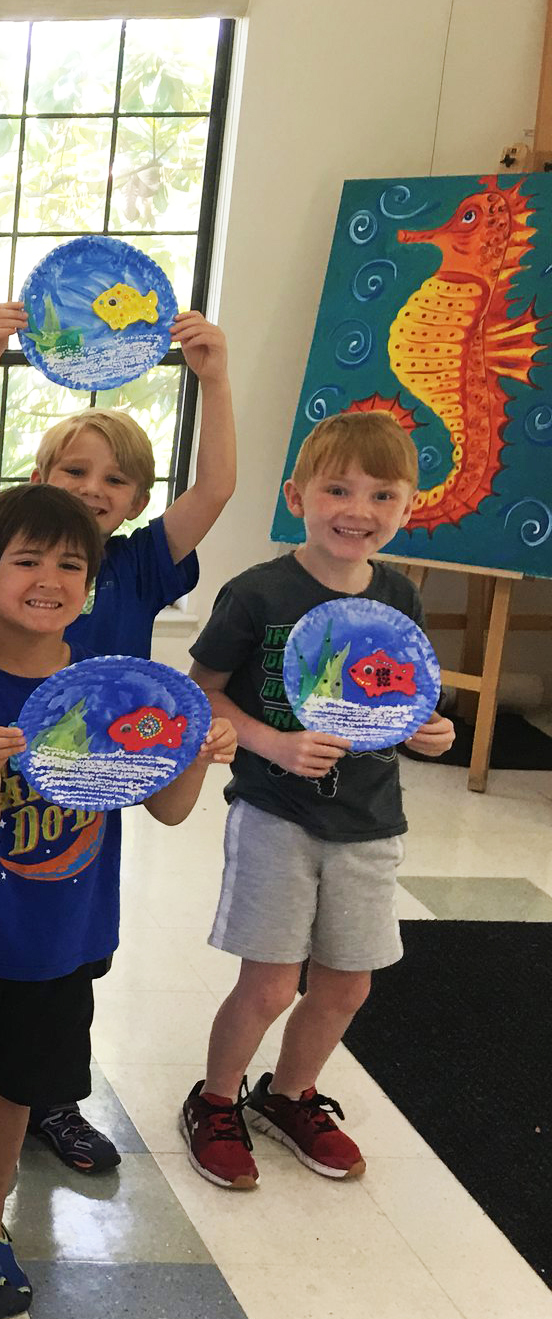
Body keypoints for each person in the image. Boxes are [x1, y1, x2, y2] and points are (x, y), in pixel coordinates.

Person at [0, 486, 234, 1319]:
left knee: (18, 1088)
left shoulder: (109, 687)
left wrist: (194, 753)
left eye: (71, 565)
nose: (50, 580)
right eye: (27, 562)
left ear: (92, 582)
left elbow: (167, 809)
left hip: (61, 941)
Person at [0, 302, 238, 1172]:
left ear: (138, 501)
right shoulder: (15, 544)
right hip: (3, 765)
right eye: (74, 470)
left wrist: (215, 380)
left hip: (99, 776)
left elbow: (216, 490)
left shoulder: (138, 563)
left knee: (71, 935)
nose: (92, 489)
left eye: (116, 480)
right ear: (39, 476)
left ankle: (51, 1095)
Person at [180, 409, 454, 1189]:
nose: (358, 511)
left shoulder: (399, 597)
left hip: (370, 823)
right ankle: (216, 1100)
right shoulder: (256, 593)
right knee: (269, 984)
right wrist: (273, 744)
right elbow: (202, 695)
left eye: (382, 495)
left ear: (408, 508)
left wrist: (427, 731)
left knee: (347, 984)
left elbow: (401, 703)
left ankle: (290, 1094)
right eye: (339, 489)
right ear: (298, 497)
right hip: (276, 816)